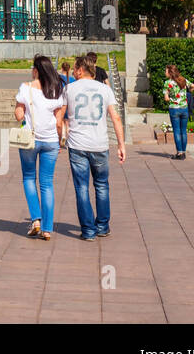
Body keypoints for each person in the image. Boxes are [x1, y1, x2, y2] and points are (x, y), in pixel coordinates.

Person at [63, 54, 126, 240]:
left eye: (75, 68)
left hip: (77, 145)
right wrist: (121, 144)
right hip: (100, 144)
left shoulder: (69, 89)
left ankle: (88, 230)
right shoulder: (105, 89)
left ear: (81, 70)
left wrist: (60, 137)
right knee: (102, 185)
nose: (73, 72)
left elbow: (60, 116)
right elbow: (116, 117)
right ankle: (102, 226)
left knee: (81, 187)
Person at [14, 55, 67, 241]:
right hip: (51, 141)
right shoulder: (57, 89)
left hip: (30, 140)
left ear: (36, 70)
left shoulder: (26, 88)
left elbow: (19, 115)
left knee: (29, 178)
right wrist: (59, 141)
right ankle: (47, 229)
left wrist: (21, 113)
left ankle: (36, 219)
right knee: (47, 183)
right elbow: (59, 122)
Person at [163, 64, 194, 160]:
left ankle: (179, 153)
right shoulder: (183, 80)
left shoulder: (167, 83)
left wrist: (171, 98)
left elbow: (166, 98)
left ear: (170, 72)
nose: (165, 73)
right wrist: (187, 93)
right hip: (184, 109)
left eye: (166, 71)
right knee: (183, 131)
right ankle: (183, 152)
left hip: (174, 109)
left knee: (177, 131)